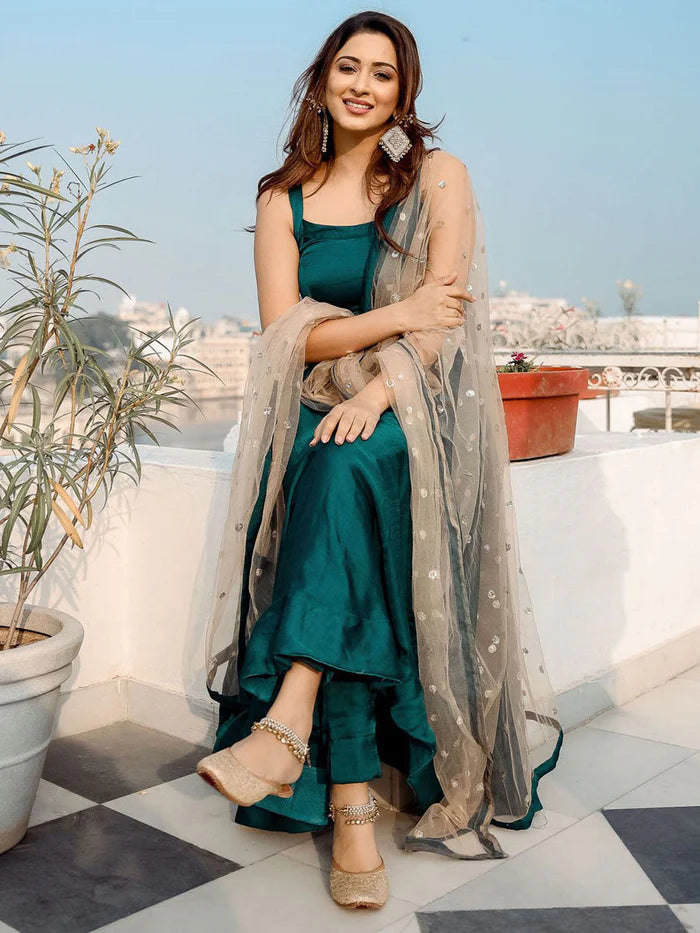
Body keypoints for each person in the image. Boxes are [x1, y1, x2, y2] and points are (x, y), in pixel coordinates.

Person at [197, 10, 563, 912]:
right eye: (348, 67)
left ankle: (290, 720)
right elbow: (290, 337)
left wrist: (375, 385)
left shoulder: (438, 178)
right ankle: (352, 803)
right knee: (336, 476)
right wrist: (392, 320)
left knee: (348, 465)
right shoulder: (280, 198)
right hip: (319, 414)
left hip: (417, 415)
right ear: (320, 80)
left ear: (406, 92)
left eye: (384, 74)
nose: (363, 84)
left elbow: (443, 330)